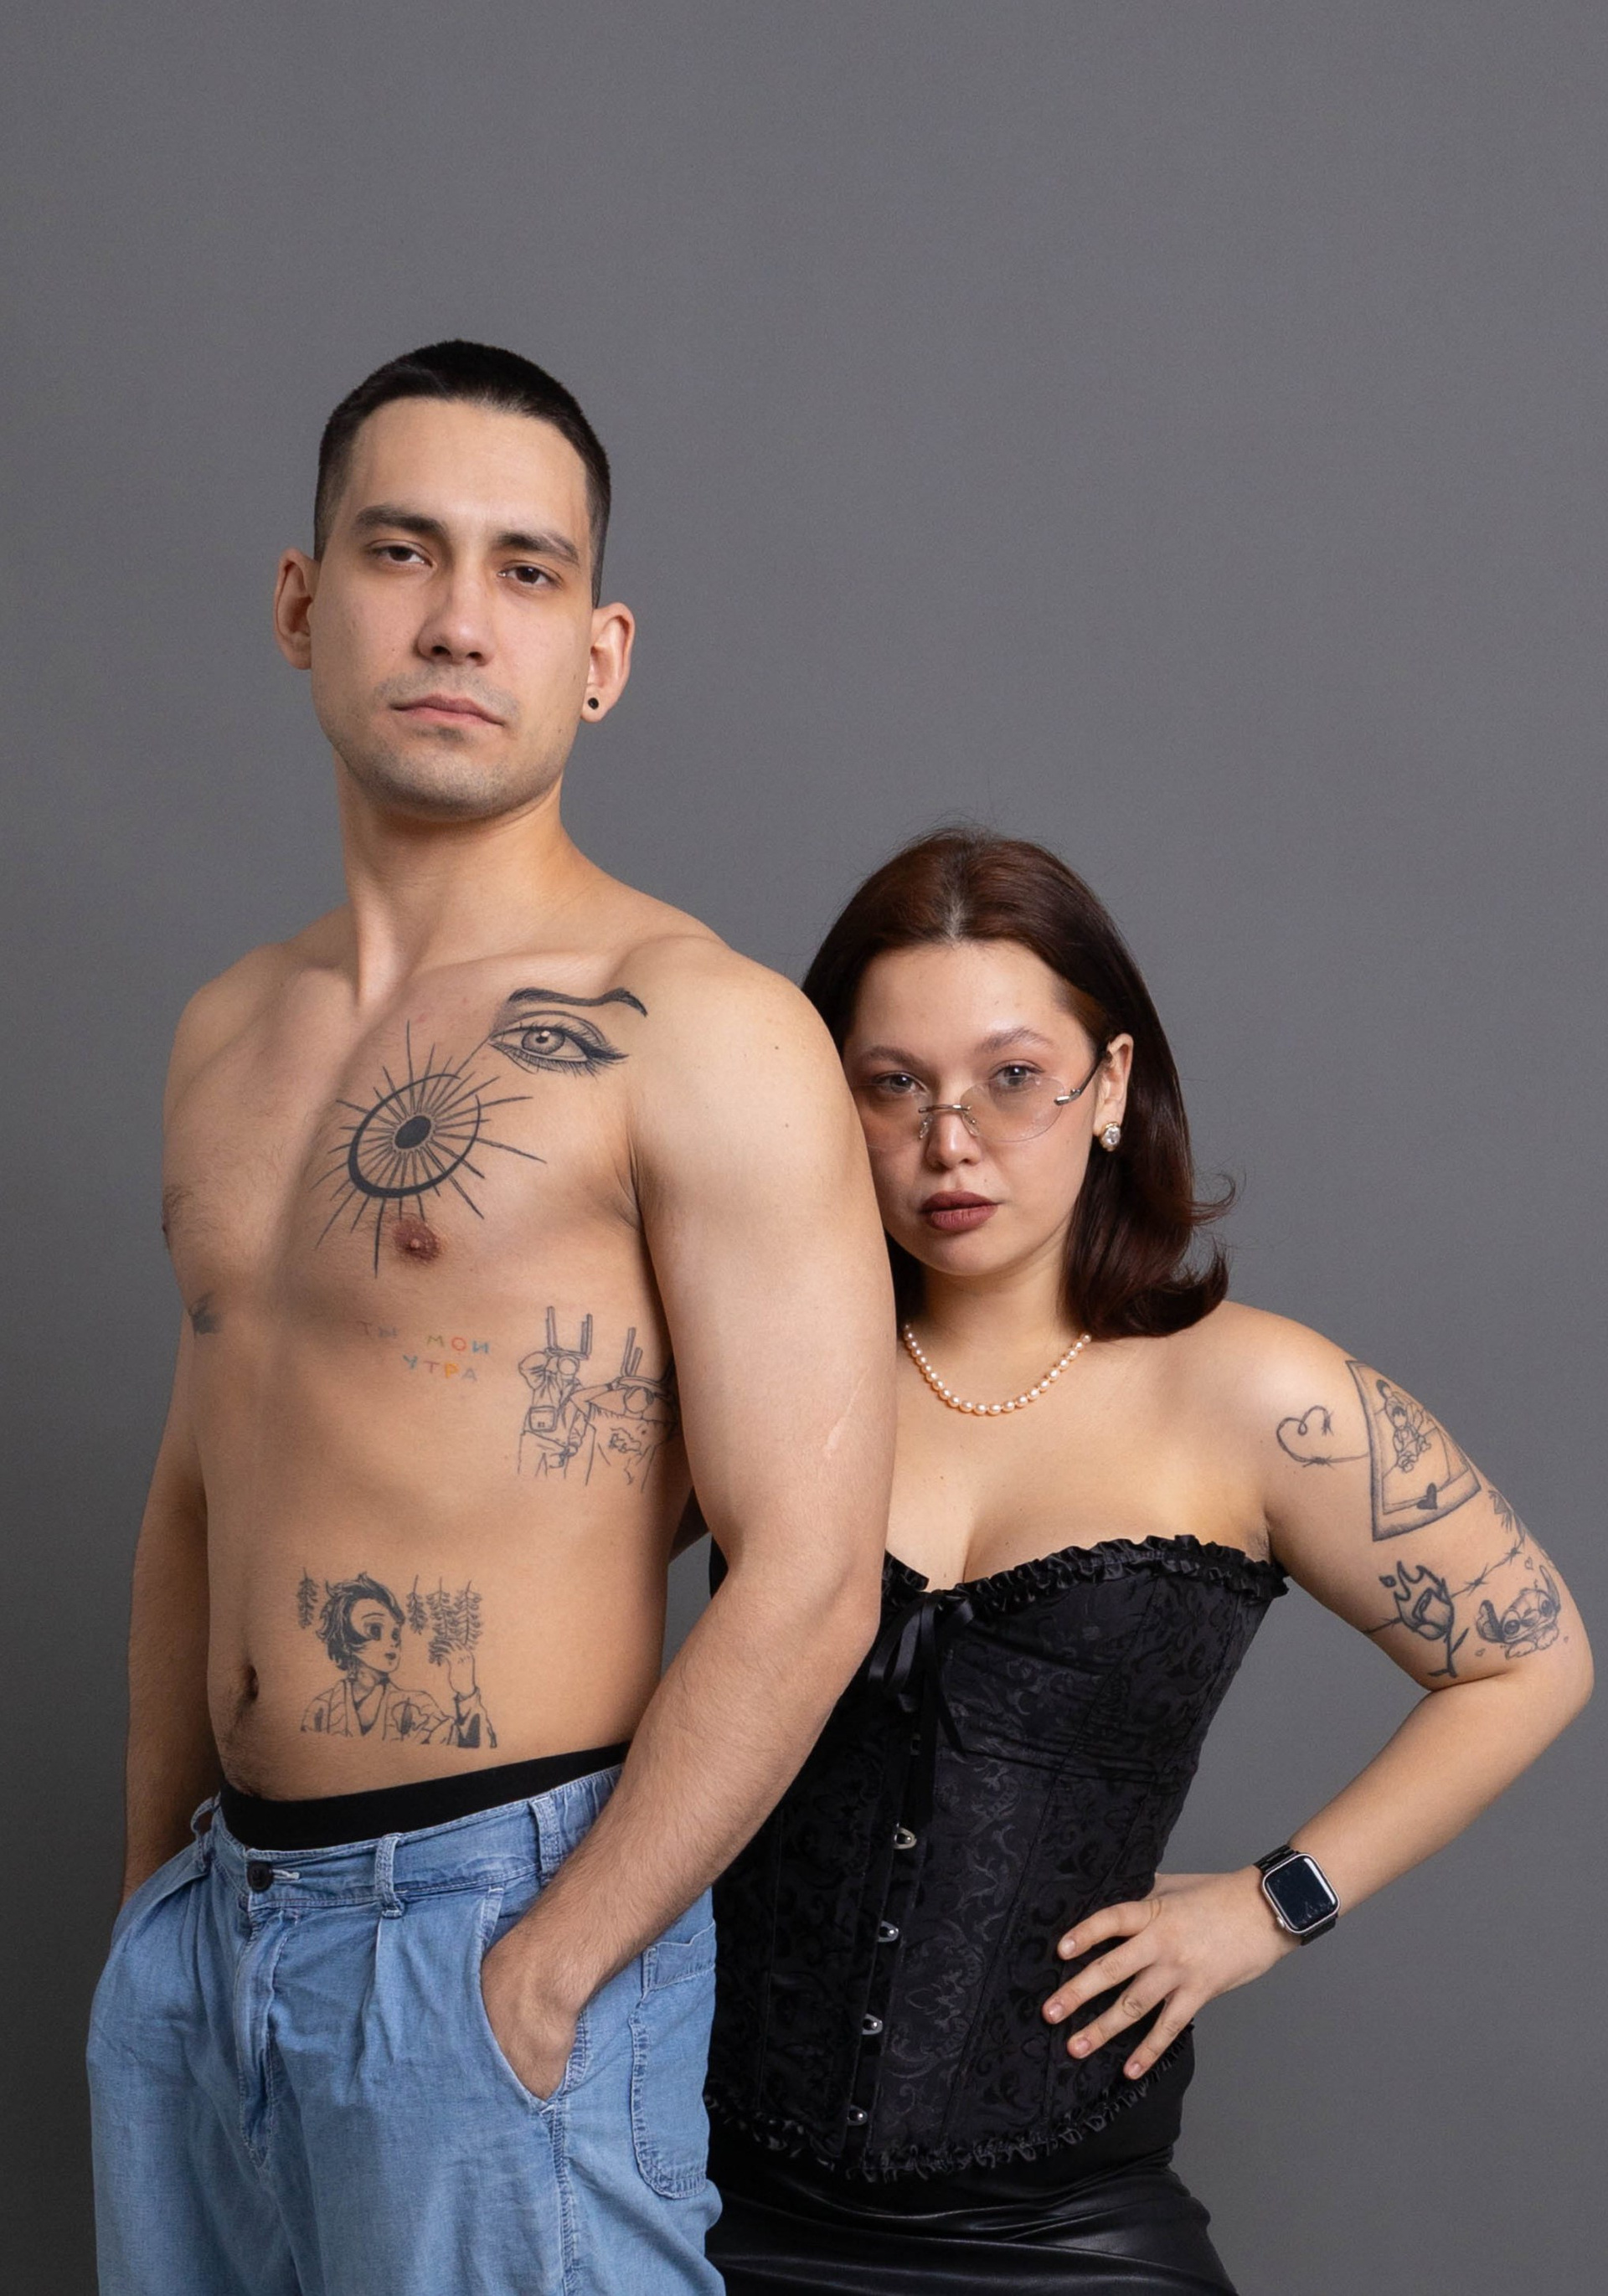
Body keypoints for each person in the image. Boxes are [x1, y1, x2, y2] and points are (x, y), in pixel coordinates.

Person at [86, 339, 894, 2296]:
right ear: (301, 603)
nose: (460, 619)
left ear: (599, 654)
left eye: (527, 572)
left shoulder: (697, 1030)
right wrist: (147, 1921)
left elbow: (812, 1569)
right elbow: (202, 1490)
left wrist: (551, 1967)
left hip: (492, 1928)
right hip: (214, 1946)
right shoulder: (226, 1034)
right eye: (402, 551)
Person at [703, 829, 1590, 2293]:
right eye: (892, 1083)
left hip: (1064, 2230)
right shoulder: (764, 1368)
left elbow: (1531, 1654)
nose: (951, 1141)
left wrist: (1270, 1904)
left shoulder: (1258, 1394)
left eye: (1012, 1076)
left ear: (1111, 1086)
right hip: (704, 2199)